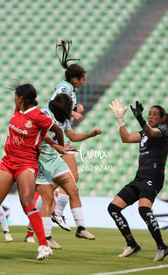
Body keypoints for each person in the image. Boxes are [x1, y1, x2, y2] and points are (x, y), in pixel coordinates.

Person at [0, 83, 66, 261]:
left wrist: (60, 147)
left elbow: (55, 129)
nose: (14, 99)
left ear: (21, 99)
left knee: (27, 202)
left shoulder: (38, 116)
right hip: (9, 160)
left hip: (27, 162)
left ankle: (43, 245)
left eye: (16, 97)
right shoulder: (18, 111)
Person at [29, 94, 101, 249]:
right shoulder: (44, 114)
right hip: (41, 160)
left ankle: (81, 229)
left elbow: (72, 136)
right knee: (47, 198)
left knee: (73, 189)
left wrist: (91, 134)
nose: (70, 112)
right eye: (69, 109)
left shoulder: (64, 117)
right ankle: (46, 238)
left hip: (55, 159)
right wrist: (58, 145)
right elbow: (45, 136)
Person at [108, 99, 168, 261]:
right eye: (149, 114)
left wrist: (140, 119)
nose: (150, 117)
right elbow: (126, 138)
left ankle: (162, 246)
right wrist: (120, 121)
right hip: (140, 177)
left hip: (153, 175)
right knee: (113, 208)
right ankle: (131, 243)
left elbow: (153, 133)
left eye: (154, 115)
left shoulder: (163, 130)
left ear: (162, 118)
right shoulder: (145, 132)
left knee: (143, 209)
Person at [47, 40, 92, 238]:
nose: (84, 82)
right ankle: (51, 217)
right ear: (75, 79)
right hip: (50, 137)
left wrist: (74, 110)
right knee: (62, 182)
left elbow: (64, 111)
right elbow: (53, 103)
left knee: (71, 179)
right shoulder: (65, 89)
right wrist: (73, 113)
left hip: (59, 136)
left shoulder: (70, 90)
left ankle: (54, 216)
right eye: (82, 79)